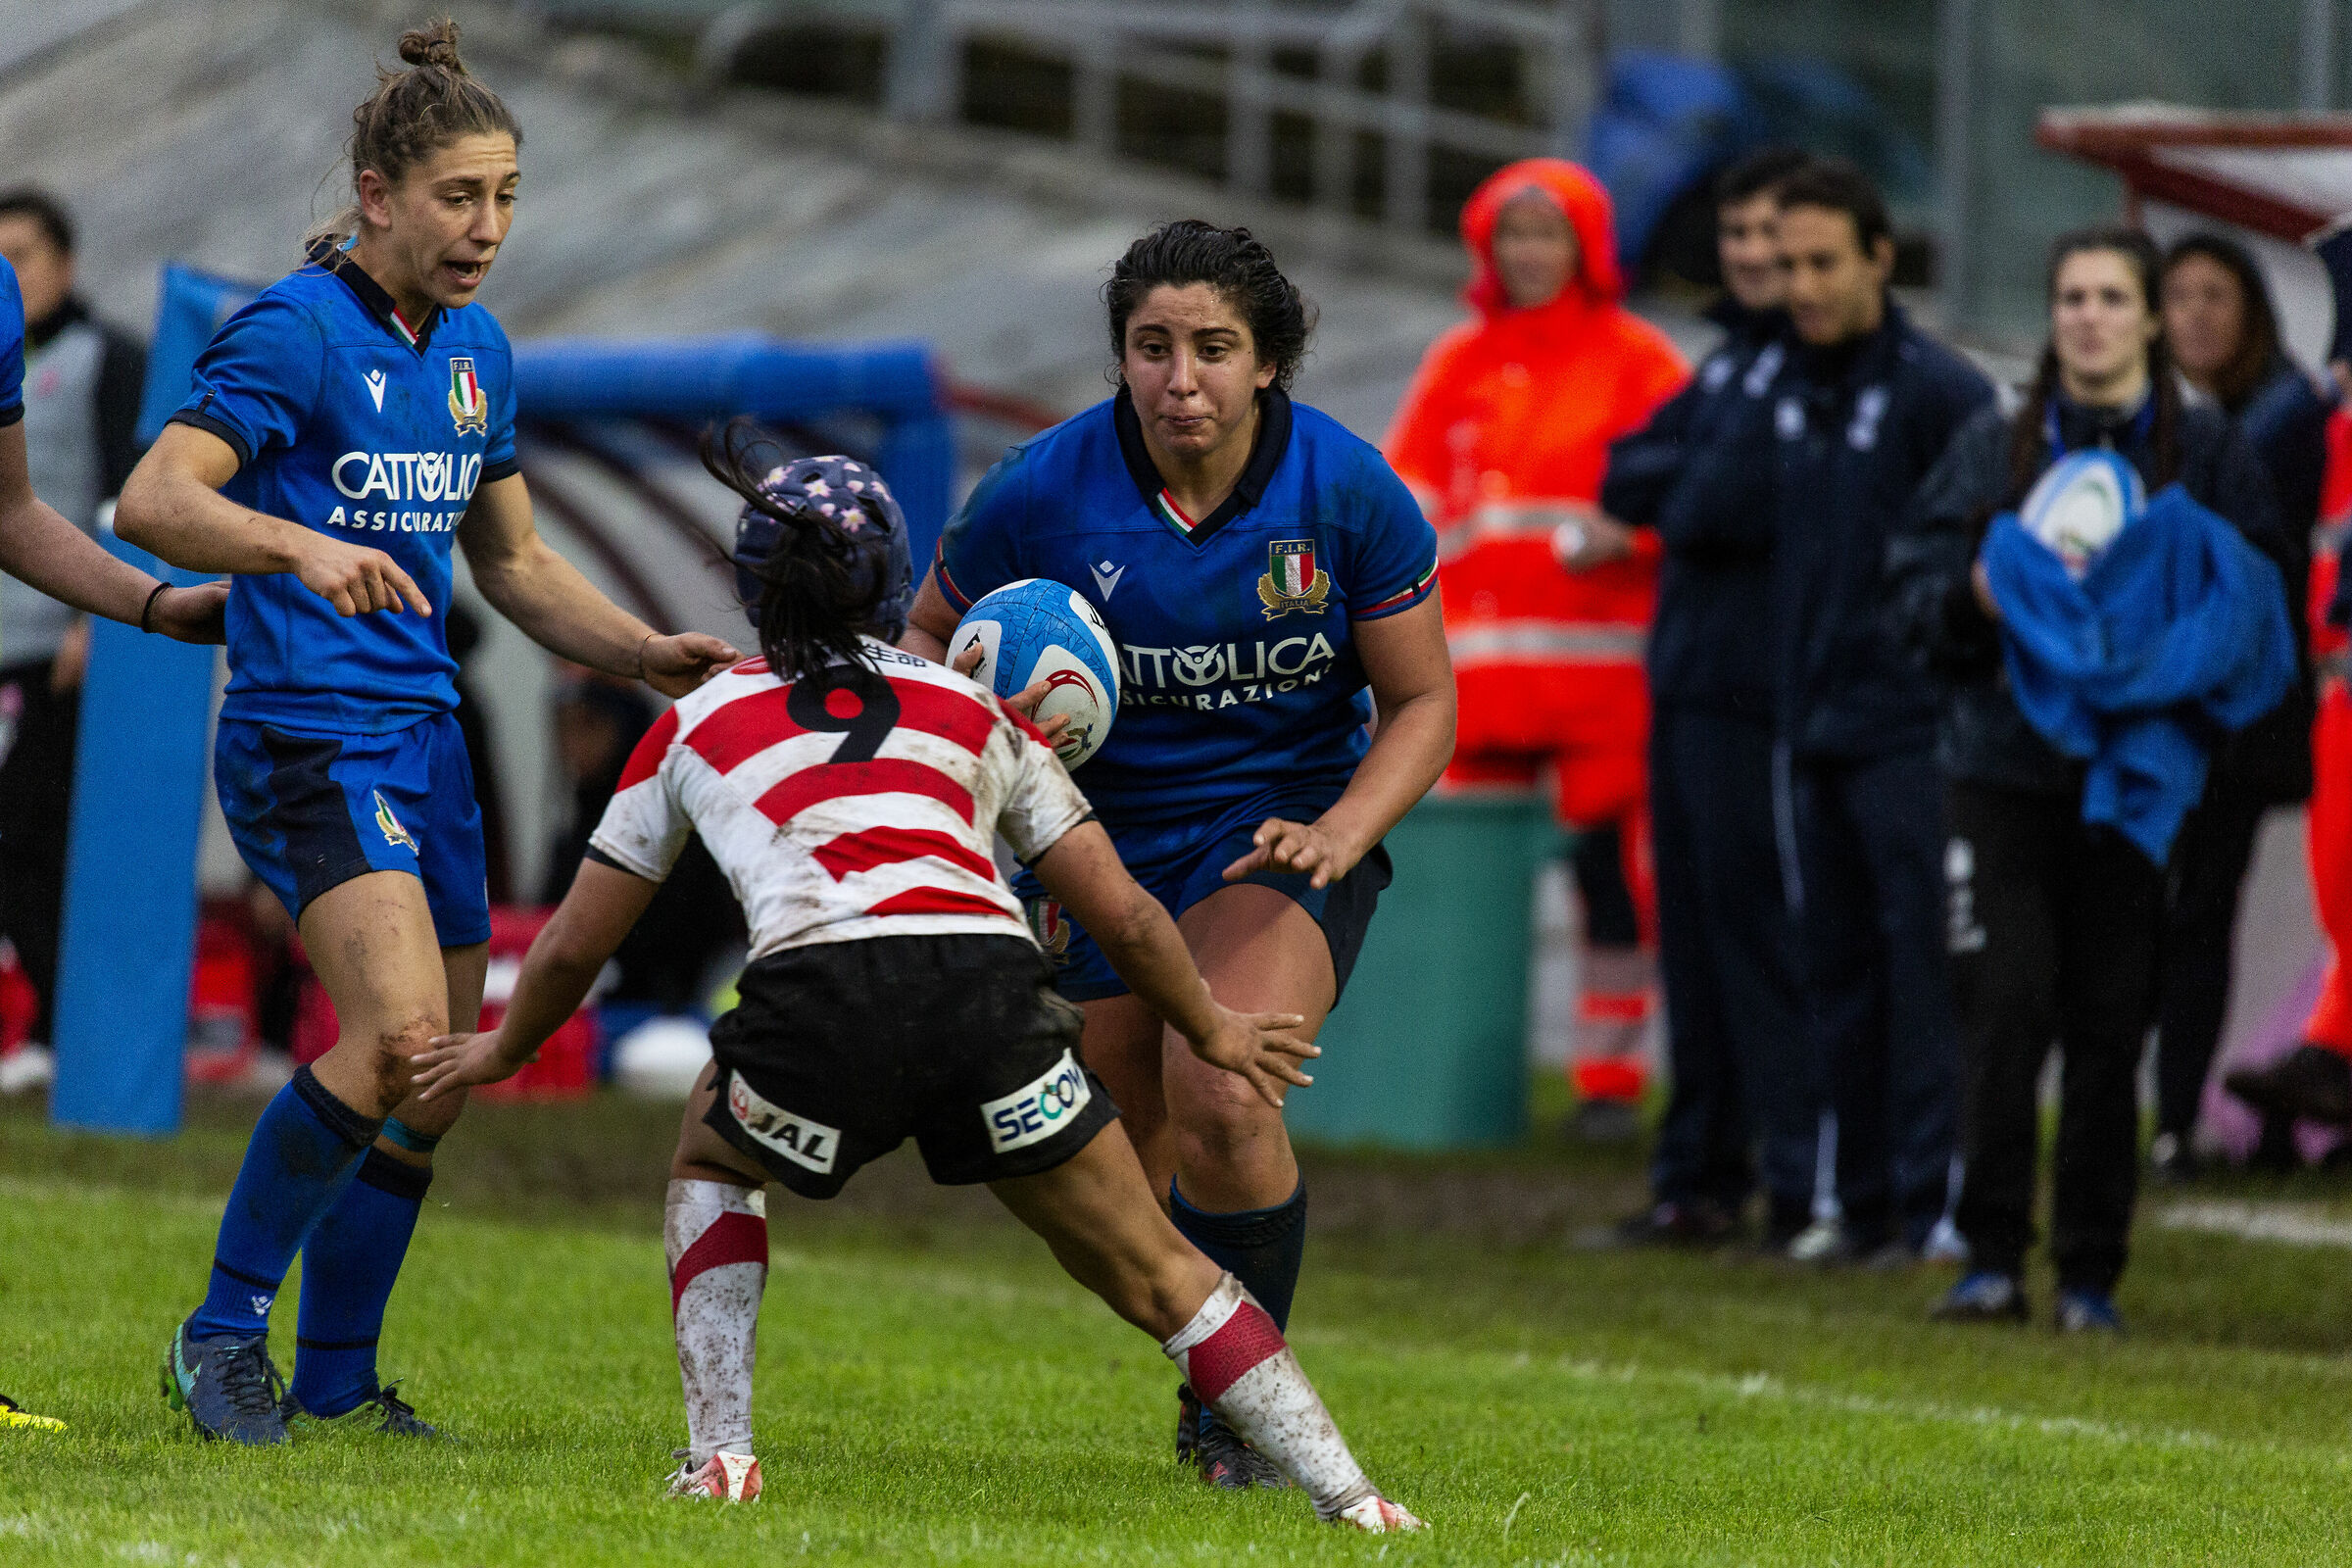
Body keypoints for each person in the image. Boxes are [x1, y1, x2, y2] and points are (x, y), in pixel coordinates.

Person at [409, 429, 1423, 1532]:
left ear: (751, 590)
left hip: (820, 1006)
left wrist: (504, 1049)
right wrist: (1212, 1029)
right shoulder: (977, 712)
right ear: (902, 590)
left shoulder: (697, 719)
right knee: (1155, 1263)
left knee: (710, 1146)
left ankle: (722, 1459)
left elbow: (572, 943)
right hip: (989, 1000)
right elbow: (1124, 913)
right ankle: (1354, 1496)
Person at [120, 22, 739, 1446]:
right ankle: (218, 1337)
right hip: (309, 734)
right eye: (460, 196)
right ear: (378, 191)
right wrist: (294, 547)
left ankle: (335, 1377)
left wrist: (645, 652)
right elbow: (156, 500)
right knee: (399, 1041)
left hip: (426, 742)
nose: (489, 228)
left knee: (446, 1076)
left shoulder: (475, 353)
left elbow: (513, 566)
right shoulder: (294, 329)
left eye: (509, 194)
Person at [900, 220, 1455, 1489]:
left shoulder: (1345, 491)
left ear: (1270, 362)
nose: (1180, 377)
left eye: (1213, 347)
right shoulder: (1043, 489)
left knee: (1224, 1088)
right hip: (1088, 844)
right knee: (1106, 1173)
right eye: (1152, 348)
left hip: (1272, 833)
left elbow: (1424, 703)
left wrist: (1338, 835)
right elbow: (924, 649)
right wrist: (974, 815)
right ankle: (1219, 1360)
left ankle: (1242, 1421)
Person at [1890, 226, 2290, 1332]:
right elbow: (1912, 594)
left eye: (2114, 296)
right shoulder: (1992, 446)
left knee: (2113, 1023)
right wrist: (1975, 595)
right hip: (2001, 769)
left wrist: (2160, 649)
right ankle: (1987, 1258)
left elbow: (2260, 603)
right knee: (2003, 1010)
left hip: (2141, 783)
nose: (2089, 315)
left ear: (2152, 317)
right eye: (2071, 295)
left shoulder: (2204, 454)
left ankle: (2088, 1275)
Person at [1384, 159, 1687, 1138]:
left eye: (1545, 234)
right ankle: (1460, 1074)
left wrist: (1631, 536)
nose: (1526, 254)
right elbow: (1404, 498)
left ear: (1587, 248)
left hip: (1602, 684)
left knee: (1611, 879)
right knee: (1457, 886)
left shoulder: (1640, 363)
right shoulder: (1457, 363)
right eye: (1509, 235)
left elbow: (1695, 494)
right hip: (1473, 685)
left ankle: (1606, 1084)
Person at [1592, 146, 1815, 1247]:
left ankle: (1793, 1178)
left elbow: (1713, 499)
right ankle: (1699, 1176)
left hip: (1760, 695)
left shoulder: (1814, 372)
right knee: (1693, 939)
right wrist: (1684, 492)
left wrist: (1679, 493)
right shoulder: (1728, 366)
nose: (1755, 256)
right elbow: (1625, 470)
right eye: (1737, 236)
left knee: (1757, 942)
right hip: (1685, 686)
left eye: (1772, 235)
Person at [2151, 233, 2326, 1169]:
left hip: (2245, 713)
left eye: (2218, 295)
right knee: (2150, 912)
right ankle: (2179, 1112)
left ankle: (2182, 1118)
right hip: (2158, 704)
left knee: (2201, 907)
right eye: (2179, 296)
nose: (2198, 315)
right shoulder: (2136, 417)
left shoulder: (2286, 417)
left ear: (2253, 311)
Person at [0, 190, 152, 1070]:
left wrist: (93, 627)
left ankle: (63, 1031)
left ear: (66, 265)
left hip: (57, 648)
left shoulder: (107, 360)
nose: (7, 276)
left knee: (36, 833)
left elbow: (124, 498)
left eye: (21, 255)